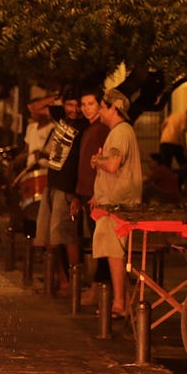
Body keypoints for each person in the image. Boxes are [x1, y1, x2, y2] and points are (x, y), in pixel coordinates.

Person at [89, 89, 143, 318]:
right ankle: (119, 301)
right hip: (110, 204)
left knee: (114, 253)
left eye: (102, 106)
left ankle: (119, 303)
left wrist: (96, 160)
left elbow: (112, 165)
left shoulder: (120, 132)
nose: (100, 111)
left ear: (113, 108)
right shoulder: (120, 132)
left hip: (117, 207)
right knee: (111, 252)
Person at [33, 92, 88, 295]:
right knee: (47, 237)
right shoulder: (61, 116)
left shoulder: (86, 126)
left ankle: (74, 284)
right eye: (70, 105)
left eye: (79, 105)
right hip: (52, 184)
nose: (75, 110)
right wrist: (54, 96)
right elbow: (35, 109)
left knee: (66, 237)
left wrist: (77, 194)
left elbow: (82, 164)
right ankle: (60, 281)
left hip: (68, 188)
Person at [72, 88, 108, 302]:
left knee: (102, 244)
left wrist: (96, 192)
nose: (85, 109)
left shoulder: (103, 129)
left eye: (90, 104)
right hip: (86, 194)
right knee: (96, 242)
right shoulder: (89, 128)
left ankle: (100, 289)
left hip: (97, 196)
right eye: (83, 105)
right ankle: (98, 287)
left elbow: (103, 164)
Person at [158, 104, 187, 169]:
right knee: (184, 163)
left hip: (164, 142)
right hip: (175, 142)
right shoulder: (186, 117)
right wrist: (185, 148)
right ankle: (186, 177)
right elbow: (182, 133)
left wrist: (161, 137)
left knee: (166, 165)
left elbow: (162, 126)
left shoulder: (175, 115)